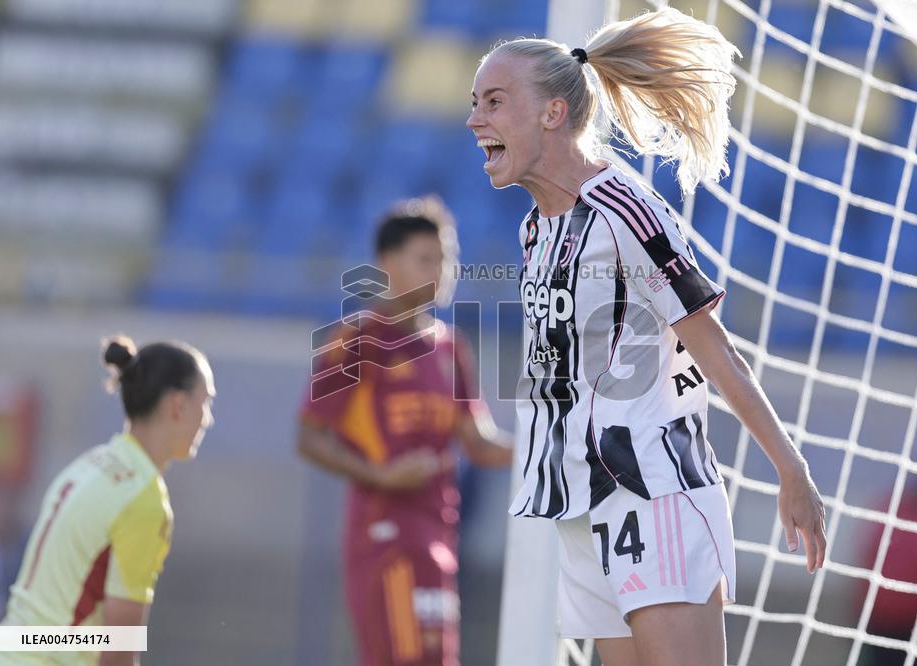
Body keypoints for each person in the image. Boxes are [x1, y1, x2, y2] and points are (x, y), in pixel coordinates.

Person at [466, 8, 827, 666]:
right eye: (474, 103)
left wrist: (790, 467)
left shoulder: (625, 210)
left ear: (552, 113)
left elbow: (714, 347)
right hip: (581, 503)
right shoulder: (535, 230)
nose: (474, 120)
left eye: (494, 101)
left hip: (654, 492)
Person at [298, 196, 513, 666]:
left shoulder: (451, 347)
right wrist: (380, 475)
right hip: (385, 535)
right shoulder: (356, 339)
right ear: (388, 263)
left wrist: (550, 449)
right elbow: (309, 436)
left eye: (448, 258)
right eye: (427, 259)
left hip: (440, 534)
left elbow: (479, 442)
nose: (443, 270)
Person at [0, 336, 215, 666]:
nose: (207, 419)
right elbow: (118, 651)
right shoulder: (143, 500)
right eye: (205, 402)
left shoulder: (89, 465)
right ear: (178, 405)